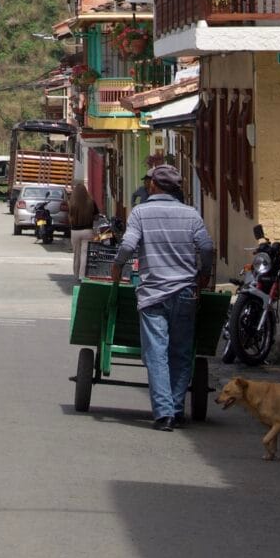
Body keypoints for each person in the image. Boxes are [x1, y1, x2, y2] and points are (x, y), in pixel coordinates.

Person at [111, 160, 214, 430]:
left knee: (156, 353)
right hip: (186, 294)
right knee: (180, 353)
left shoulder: (140, 213)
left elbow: (129, 244)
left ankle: (164, 413)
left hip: (153, 294)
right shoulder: (191, 214)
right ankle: (177, 409)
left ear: (153, 185)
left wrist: (117, 266)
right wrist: (204, 275)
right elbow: (206, 247)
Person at [67, 174, 99, 280]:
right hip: (87, 231)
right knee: (85, 254)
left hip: (75, 231)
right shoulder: (91, 202)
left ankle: (76, 275)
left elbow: (69, 217)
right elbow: (96, 216)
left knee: (76, 254)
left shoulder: (72, 203)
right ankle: (82, 276)